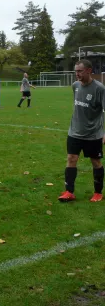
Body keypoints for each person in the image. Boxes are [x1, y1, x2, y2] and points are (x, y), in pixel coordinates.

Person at [58, 59, 105, 203]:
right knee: (71, 159)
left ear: (89, 71)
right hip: (75, 132)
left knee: (95, 162)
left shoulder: (99, 89)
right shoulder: (75, 86)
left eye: (80, 71)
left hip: (93, 134)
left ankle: (98, 192)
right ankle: (69, 192)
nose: (77, 74)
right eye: (75, 71)